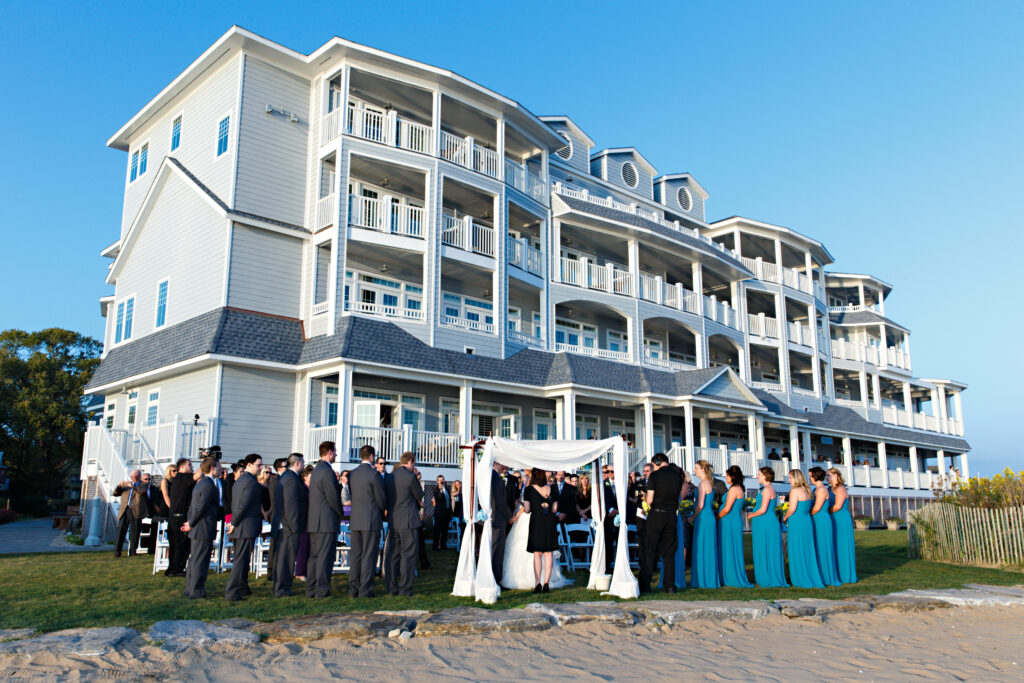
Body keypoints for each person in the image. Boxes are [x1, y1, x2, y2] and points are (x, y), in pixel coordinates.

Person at [640, 453, 683, 594]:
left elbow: (650, 500)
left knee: (650, 549)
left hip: (657, 515)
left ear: (657, 462)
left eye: (653, 465)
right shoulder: (677, 476)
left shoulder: (655, 476)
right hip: (671, 515)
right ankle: (670, 586)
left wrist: (645, 497)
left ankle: (645, 585)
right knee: (669, 552)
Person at [348, 444, 386, 598]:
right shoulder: (374, 474)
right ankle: (365, 590)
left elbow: (352, 494)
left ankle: (353, 589)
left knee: (356, 555)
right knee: (369, 555)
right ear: (371, 456)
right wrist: (382, 508)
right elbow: (381, 498)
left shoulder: (353, 474)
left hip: (356, 518)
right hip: (371, 519)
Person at [307, 441, 343, 599]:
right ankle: (321, 589)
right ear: (329, 452)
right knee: (324, 556)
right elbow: (333, 497)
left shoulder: (316, 470)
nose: (335, 454)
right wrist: (340, 513)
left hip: (315, 520)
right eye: (334, 451)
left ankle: (311, 588)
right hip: (326, 521)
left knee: (315, 556)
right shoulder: (327, 472)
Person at [182, 456, 221, 599]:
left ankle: (191, 588)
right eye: (219, 466)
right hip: (203, 527)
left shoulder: (201, 483)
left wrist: (190, 522)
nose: (221, 468)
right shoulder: (208, 485)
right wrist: (191, 522)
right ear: (212, 468)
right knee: (200, 560)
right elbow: (200, 507)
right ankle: (196, 590)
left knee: (194, 559)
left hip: (198, 527)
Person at [225, 453, 263, 601]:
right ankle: (232, 591)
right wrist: (233, 523)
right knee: (241, 560)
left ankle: (242, 587)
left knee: (241, 559)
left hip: (241, 525)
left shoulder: (242, 480)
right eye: (258, 465)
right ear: (249, 465)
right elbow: (243, 505)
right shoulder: (250, 482)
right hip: (245, 525)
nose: (260, 468)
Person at [385, 451, 423, 596]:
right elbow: (419, 495)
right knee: (408, 554)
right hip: (408, 520)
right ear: (410, 462)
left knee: (393, 554)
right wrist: (417, 478)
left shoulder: (390, 477)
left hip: (394, 519)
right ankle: (405, 588)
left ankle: (391, 586)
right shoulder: (411, 477)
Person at [783, 469, 825, 588]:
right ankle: (808, 574)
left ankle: (799, 577)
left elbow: (792, 509)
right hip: (807, 521)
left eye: (790, 478)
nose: (789, 480)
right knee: (806, 549)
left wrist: (784, 517)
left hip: (797, 522)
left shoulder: (795, 491)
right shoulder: (806, 490)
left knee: (797, 548)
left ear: (795, 478)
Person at [272, 453, 307, 597]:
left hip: (285, 525)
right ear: (297, 464)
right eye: (303, 462)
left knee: (284, 558)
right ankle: (282, 588)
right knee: (286, 558)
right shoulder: (291, 479)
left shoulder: (287, 477)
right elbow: (291, 504)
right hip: (289, 526)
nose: (304, 465)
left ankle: (282, 586)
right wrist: (293, 526)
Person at [521, 467, 559, 593]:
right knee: (548, 554)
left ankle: (537, 583)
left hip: (537, 521)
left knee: (537, 554)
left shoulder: (528, 490)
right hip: (549, 522)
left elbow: (527, 509)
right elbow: (554, 509)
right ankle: (546, 583)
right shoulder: (553, 489)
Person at [749, 466, 788, 587]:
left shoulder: (767, 490)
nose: (757, 476)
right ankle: (763, 576)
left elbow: (763, 509)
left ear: (766, 476)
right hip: (763, 522)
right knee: (763, 547)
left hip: (766, 522)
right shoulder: (765, 489)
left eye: (759, 474)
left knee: (768, 548)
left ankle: (768, 577)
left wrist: (751, 515)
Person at [717, 465, 754, 588]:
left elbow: (727, 508)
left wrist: (716, 518)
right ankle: (727, 575)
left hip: (730, 521)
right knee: (728, 548)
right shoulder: (737, 488)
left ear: (732, 477)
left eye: (727, 475)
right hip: (731, 520)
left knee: (730, 548)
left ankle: (731, 576)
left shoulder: (734, 489)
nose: (725, 477)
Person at [808, 466, 842, 587]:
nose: (809, 478)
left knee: (823, 546)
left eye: (810, 476)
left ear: (816, 476)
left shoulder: (821, 490)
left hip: (821, 520)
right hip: (817, 519)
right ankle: (819, 573)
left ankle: (827, 576)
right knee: (817, 547)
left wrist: (806, 516)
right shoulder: (815, 489)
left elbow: (817, 508)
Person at [689, 459, 719, 588]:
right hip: (708, 516)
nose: (694, 470)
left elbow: (700, 504)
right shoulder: (709, 482)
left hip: (703, 517)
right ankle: (708, 578)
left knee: (702, 547)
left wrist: (693, 517)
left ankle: (703, 580)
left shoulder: (702, 483)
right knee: (707, 547)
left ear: (702, 469)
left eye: (696, 468)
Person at [165, 458, 197, 577]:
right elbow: (198, 475)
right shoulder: (184, 478)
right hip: (180, 517)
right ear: (182, 467)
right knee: (181, 544)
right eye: (190, 465)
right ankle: (176, 569)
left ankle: (172, 569)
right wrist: (207, 460)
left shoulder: (178, 479)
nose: (192, 467)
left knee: (174, 545)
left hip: (173, 517)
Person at [827, 467, 858, 584]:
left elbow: (838, 506)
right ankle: (836, 572)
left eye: (829, 475)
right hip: (832, 519)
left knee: (842, 545)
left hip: (841, 519)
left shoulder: (840, 489)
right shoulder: (829, 489)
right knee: (834, 545)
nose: (827, 477)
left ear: (835, 476)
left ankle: (845, 574)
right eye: (826, 475)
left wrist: (825, 511)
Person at [113, 469, 150, 558]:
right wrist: (118, 486)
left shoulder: (143, 485)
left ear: (139, 476)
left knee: (135, 531)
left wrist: (133, 486)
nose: (133, 478)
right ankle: (117, 552)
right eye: (132, 476)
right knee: (121, 530)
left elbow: (142, 492)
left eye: (135, 476)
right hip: (125, 510)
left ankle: (133, 551)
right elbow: (115, 494)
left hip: (136, 510)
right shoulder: (126, 486)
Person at [489, 462, 514, 587]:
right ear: (495, 464)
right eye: (501, 464)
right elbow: (499, 501)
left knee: (497, 550)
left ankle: (496, 577)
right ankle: (495, 579)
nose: (504, 466)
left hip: (497, 519)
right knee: (497, 550)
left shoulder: (494, 476)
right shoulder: (494, 477)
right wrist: (510, 516)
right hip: (498, 519)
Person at [294, 464, 315, 581]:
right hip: (304, 520)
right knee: (303, 546)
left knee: (308, 546)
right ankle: (300, 572)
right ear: (305, 477)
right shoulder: (303, 488)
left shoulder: (311, 489)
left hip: (310, 519)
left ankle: (306, 570)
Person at [601, 465, 618, 573]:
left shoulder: (621, 483)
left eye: (612, 471)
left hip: (619, 515)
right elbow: (601, 499)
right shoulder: (603, 484)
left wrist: (618, 510)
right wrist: (610, 509)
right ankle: (607, 566)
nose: (610, 473)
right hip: (608, 517)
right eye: (608, 471)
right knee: (607, 542)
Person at [432, 475, 452, 551]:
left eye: (442, 480)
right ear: (437, 481)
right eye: (440, 480)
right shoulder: (435, 490)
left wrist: (451, 512)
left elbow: (449, 501)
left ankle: (443, 545)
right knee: (437, 531)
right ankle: (435, 546)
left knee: (445, 531)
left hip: (446, 513)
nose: (441, 481)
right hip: (439, 513)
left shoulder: (447, 489)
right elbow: (439, 499)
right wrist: (440, 490)